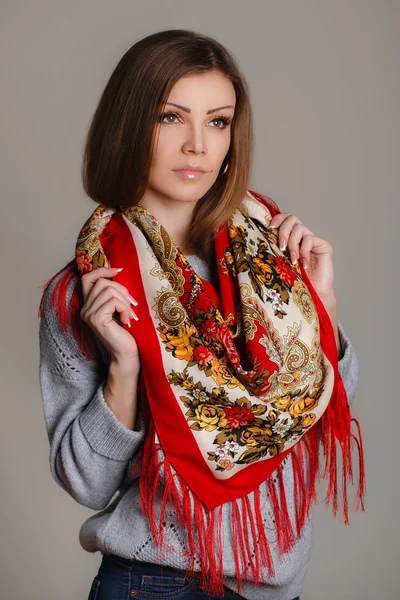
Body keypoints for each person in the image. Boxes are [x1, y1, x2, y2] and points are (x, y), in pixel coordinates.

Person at [38, 29, 364, 600]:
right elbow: (87, 484)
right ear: (129, 124)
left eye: (217, 121)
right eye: (170, 117)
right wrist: (125, 370)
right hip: (155, 582)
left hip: (271, 586)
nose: (197, 145)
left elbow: (319, 407)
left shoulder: (268, 260)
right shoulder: (87, 289)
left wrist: (322, 305)